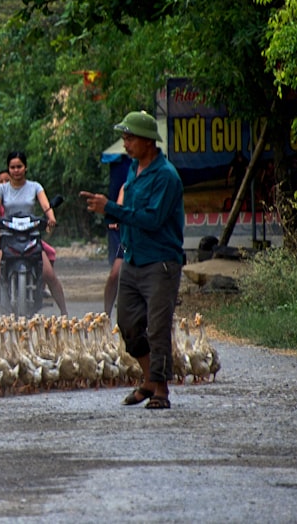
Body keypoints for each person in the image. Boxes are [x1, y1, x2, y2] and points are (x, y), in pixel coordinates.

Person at [81, 110, 184, 410]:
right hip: (133, 259)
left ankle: (161, 390)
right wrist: (119, 219)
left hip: (160, 263)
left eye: (130, 137)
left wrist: (111, 209)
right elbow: (133, 211)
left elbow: (152, 219)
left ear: (148, 141)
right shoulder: (134, 169)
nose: (125, 143)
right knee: (127, 324)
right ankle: (150, 377)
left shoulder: (166, 176)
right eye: (124, 137)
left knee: (158, 327)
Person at [0, 151, 68, 316]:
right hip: (8, 236)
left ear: (25, 167)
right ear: (8, 168)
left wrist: (51, 217)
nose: (16, 170)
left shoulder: (35, 187)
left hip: (31, 236)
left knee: (49, 273)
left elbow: (46, 205)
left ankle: (64, 313)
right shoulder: (2, 189)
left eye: (19, 166)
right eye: (12, 167)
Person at [103, 186, 125, 317]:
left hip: (152, 240)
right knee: (114, 275)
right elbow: (119, 208)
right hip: (130, 242)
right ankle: (106, 315)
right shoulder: (128, 185)